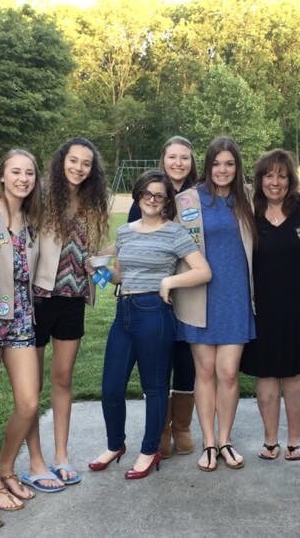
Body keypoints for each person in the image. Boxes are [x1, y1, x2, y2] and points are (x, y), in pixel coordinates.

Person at [89, 170, 211, 479]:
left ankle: (149, 449)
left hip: (154, 312)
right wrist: (100, 271)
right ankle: (115, 444)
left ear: (167, 200)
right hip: (124, 310)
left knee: (155, 387)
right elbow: (122, 275)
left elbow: (203, 271)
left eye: (159, 195)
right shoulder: (125, 232)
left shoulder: (175, 233)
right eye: (147, 193)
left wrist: (169, 280)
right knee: (111, 387)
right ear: (137, 195)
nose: (152, 200)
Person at [23, 137, 110, 491]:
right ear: (61, 162)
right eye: (73, 161)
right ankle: (35, 460)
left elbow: (97, 247)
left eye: (86, 163)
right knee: (32, 386)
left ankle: (61, 456)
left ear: (93, 169)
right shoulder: (41, 197)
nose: (78, 168)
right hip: (39, 299)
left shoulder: (94, 203)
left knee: (63, 379)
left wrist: (101, 263)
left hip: (73, 300)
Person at [173, 136, 257, 471]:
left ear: (237, 167)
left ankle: (226, 439)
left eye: (230, 164)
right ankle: (208, 442)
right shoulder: (188, 200)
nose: (223, 170)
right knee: (205, 371)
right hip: (199, 296)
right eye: (217, 163)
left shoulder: (247, 198)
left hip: (235, 296)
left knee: (229, 372)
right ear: (207, 166)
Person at [240, 149, 300, 461]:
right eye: (269, 175)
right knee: (266, 374)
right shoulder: (249, 210)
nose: (275, 181)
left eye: (281, 175)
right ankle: (270, 439)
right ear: (259, 179)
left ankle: (295, 438)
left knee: (297, 374)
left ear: (291, 180)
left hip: (299, 306)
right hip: (260, 306)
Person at [126, 136, 199, 457]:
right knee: (157, 363)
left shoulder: (200, 196)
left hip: (192, 285)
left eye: (185, 157)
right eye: (172, 157)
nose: (179, 163)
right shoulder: (146, 197)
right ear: (162, 159)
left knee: (186, 359)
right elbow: (130, 246)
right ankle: (161, 428)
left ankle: (181, 426)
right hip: (154, 295)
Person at [0, 149, 43, 509]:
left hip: (20, 321)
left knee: (29, 402)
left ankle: (5, 466)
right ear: (1, 176)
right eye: (15, 172)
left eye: (29, 173)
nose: (22, 178)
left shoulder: (34, 218)